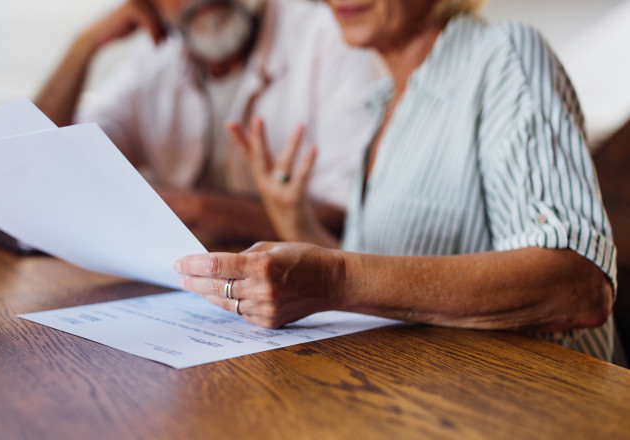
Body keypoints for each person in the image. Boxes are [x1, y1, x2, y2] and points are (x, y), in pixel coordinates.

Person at [175, 0, 622, 362]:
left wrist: (336, 279)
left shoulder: (506, 53)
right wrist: (294, 221)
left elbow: (578, 286)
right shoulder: (384, 105)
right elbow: (378, 280)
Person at [35, 0, 381, 244]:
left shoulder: (330, 37)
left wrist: (193, 209)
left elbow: (342, 217)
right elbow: (46, 158)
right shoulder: (153, 58)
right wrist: (84, 45)